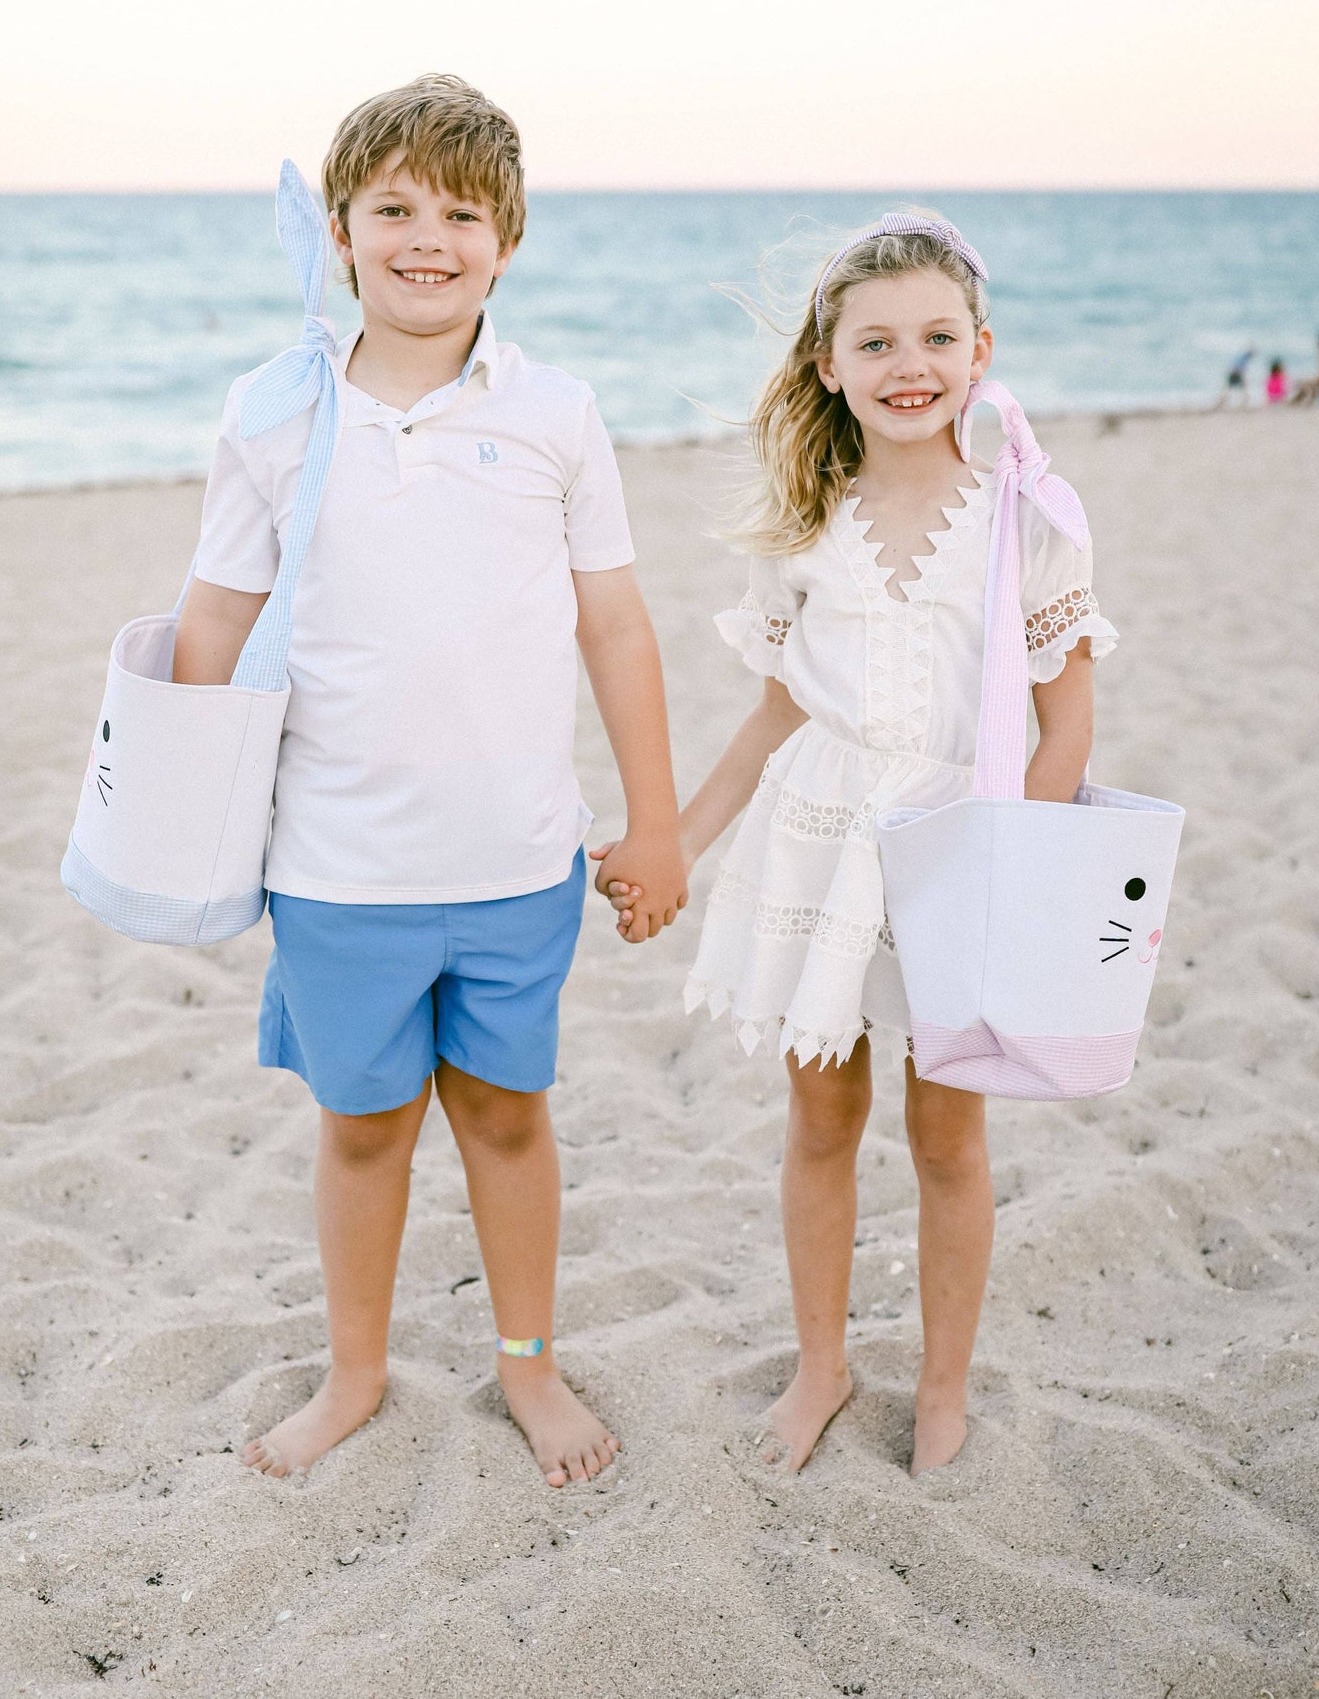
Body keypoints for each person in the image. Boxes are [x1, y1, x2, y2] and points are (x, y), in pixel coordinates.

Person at [173, 75, 687, 1486]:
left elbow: (617, 623)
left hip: (521, 860)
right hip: (336, 868)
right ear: (339, 231)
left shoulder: (557, 412)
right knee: (363, 1129)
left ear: (506, 240)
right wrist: (174, 812)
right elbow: (212, 619)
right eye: (393, 206)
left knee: (512, 1119)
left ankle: (529, 1367)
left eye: (461, 212)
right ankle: (356, 1371)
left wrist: (654, 820)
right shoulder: (274, 413)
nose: (426, 237)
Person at [614, 212, 1117, 1476]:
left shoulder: (1026, 521)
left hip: (966, 848)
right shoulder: (806, 525)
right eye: (877, 340)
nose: (911, 363)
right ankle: (822, 1367)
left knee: (947, 1135)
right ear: (828, 363)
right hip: (821, 846)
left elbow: (1066, 722)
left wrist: (1014, 871)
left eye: (937, 337)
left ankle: (941, 1385)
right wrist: (673, 841)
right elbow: (771, 714)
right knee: (820, 1118)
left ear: (980, 351)